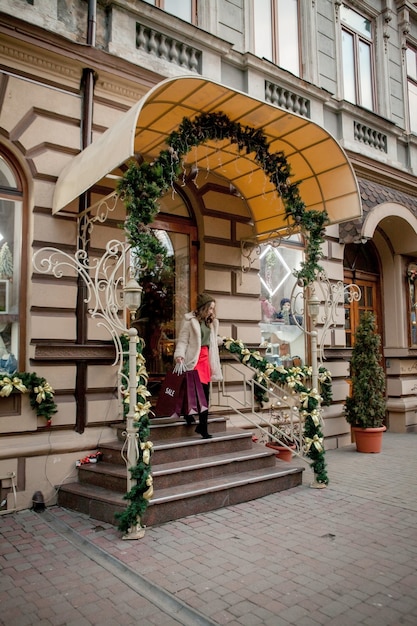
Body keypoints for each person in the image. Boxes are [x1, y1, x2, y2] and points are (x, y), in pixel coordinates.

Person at [174, 293, 223, 439]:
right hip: (194, 359)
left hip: (206, 359)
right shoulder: (190, 321)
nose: (211, 312)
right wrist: (179, 355)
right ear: (203, 308)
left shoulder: (212, 322)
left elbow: (212, 340)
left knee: (205, 395)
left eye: (213, 309)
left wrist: (225, 341)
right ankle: (188, 414)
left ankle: (203, 427)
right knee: (195, 393)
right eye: (210, 308)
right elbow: (183, 341)